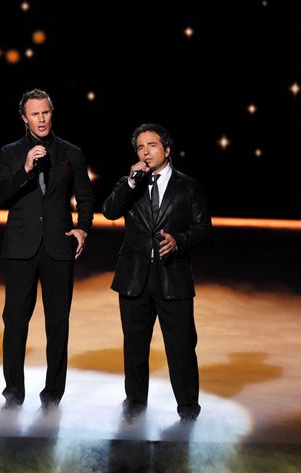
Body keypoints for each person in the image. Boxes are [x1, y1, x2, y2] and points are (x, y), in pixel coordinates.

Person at [0, 88, 95, 409]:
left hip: (58, 247)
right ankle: (13, 393)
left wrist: (83, 227)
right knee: (15, 321)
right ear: (24, 118)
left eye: (46, 112)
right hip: (21, 247)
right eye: (34, 114)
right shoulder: (9, 153)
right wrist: (24, 170)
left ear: (52, 113)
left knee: (57, 323)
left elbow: (86, 197)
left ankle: (53, 395)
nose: (41, 119)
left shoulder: (71, 153)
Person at [102, 123, 211, 422]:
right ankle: (135, 405)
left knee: (181, 347)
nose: (145, 152)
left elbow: (203, 227)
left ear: (167, 150)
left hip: (172, 276)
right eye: (140, 147)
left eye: (151, 145)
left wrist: (180, 241)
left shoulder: (188, 186)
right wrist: (131, 183)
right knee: (135, 347)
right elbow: (109, 211)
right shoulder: (130, 184)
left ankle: (188, 408)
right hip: (134, 277)